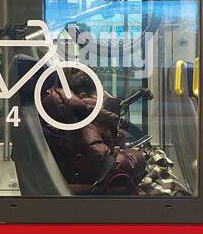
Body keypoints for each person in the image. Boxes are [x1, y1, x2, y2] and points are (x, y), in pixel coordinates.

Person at [39, 68, 189, 196]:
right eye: (102, 96)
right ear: (84, 98)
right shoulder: (81, 121)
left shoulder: (70, 114)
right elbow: (102, 162)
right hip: (99, 184)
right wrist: (136, 157)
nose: (104, 100)